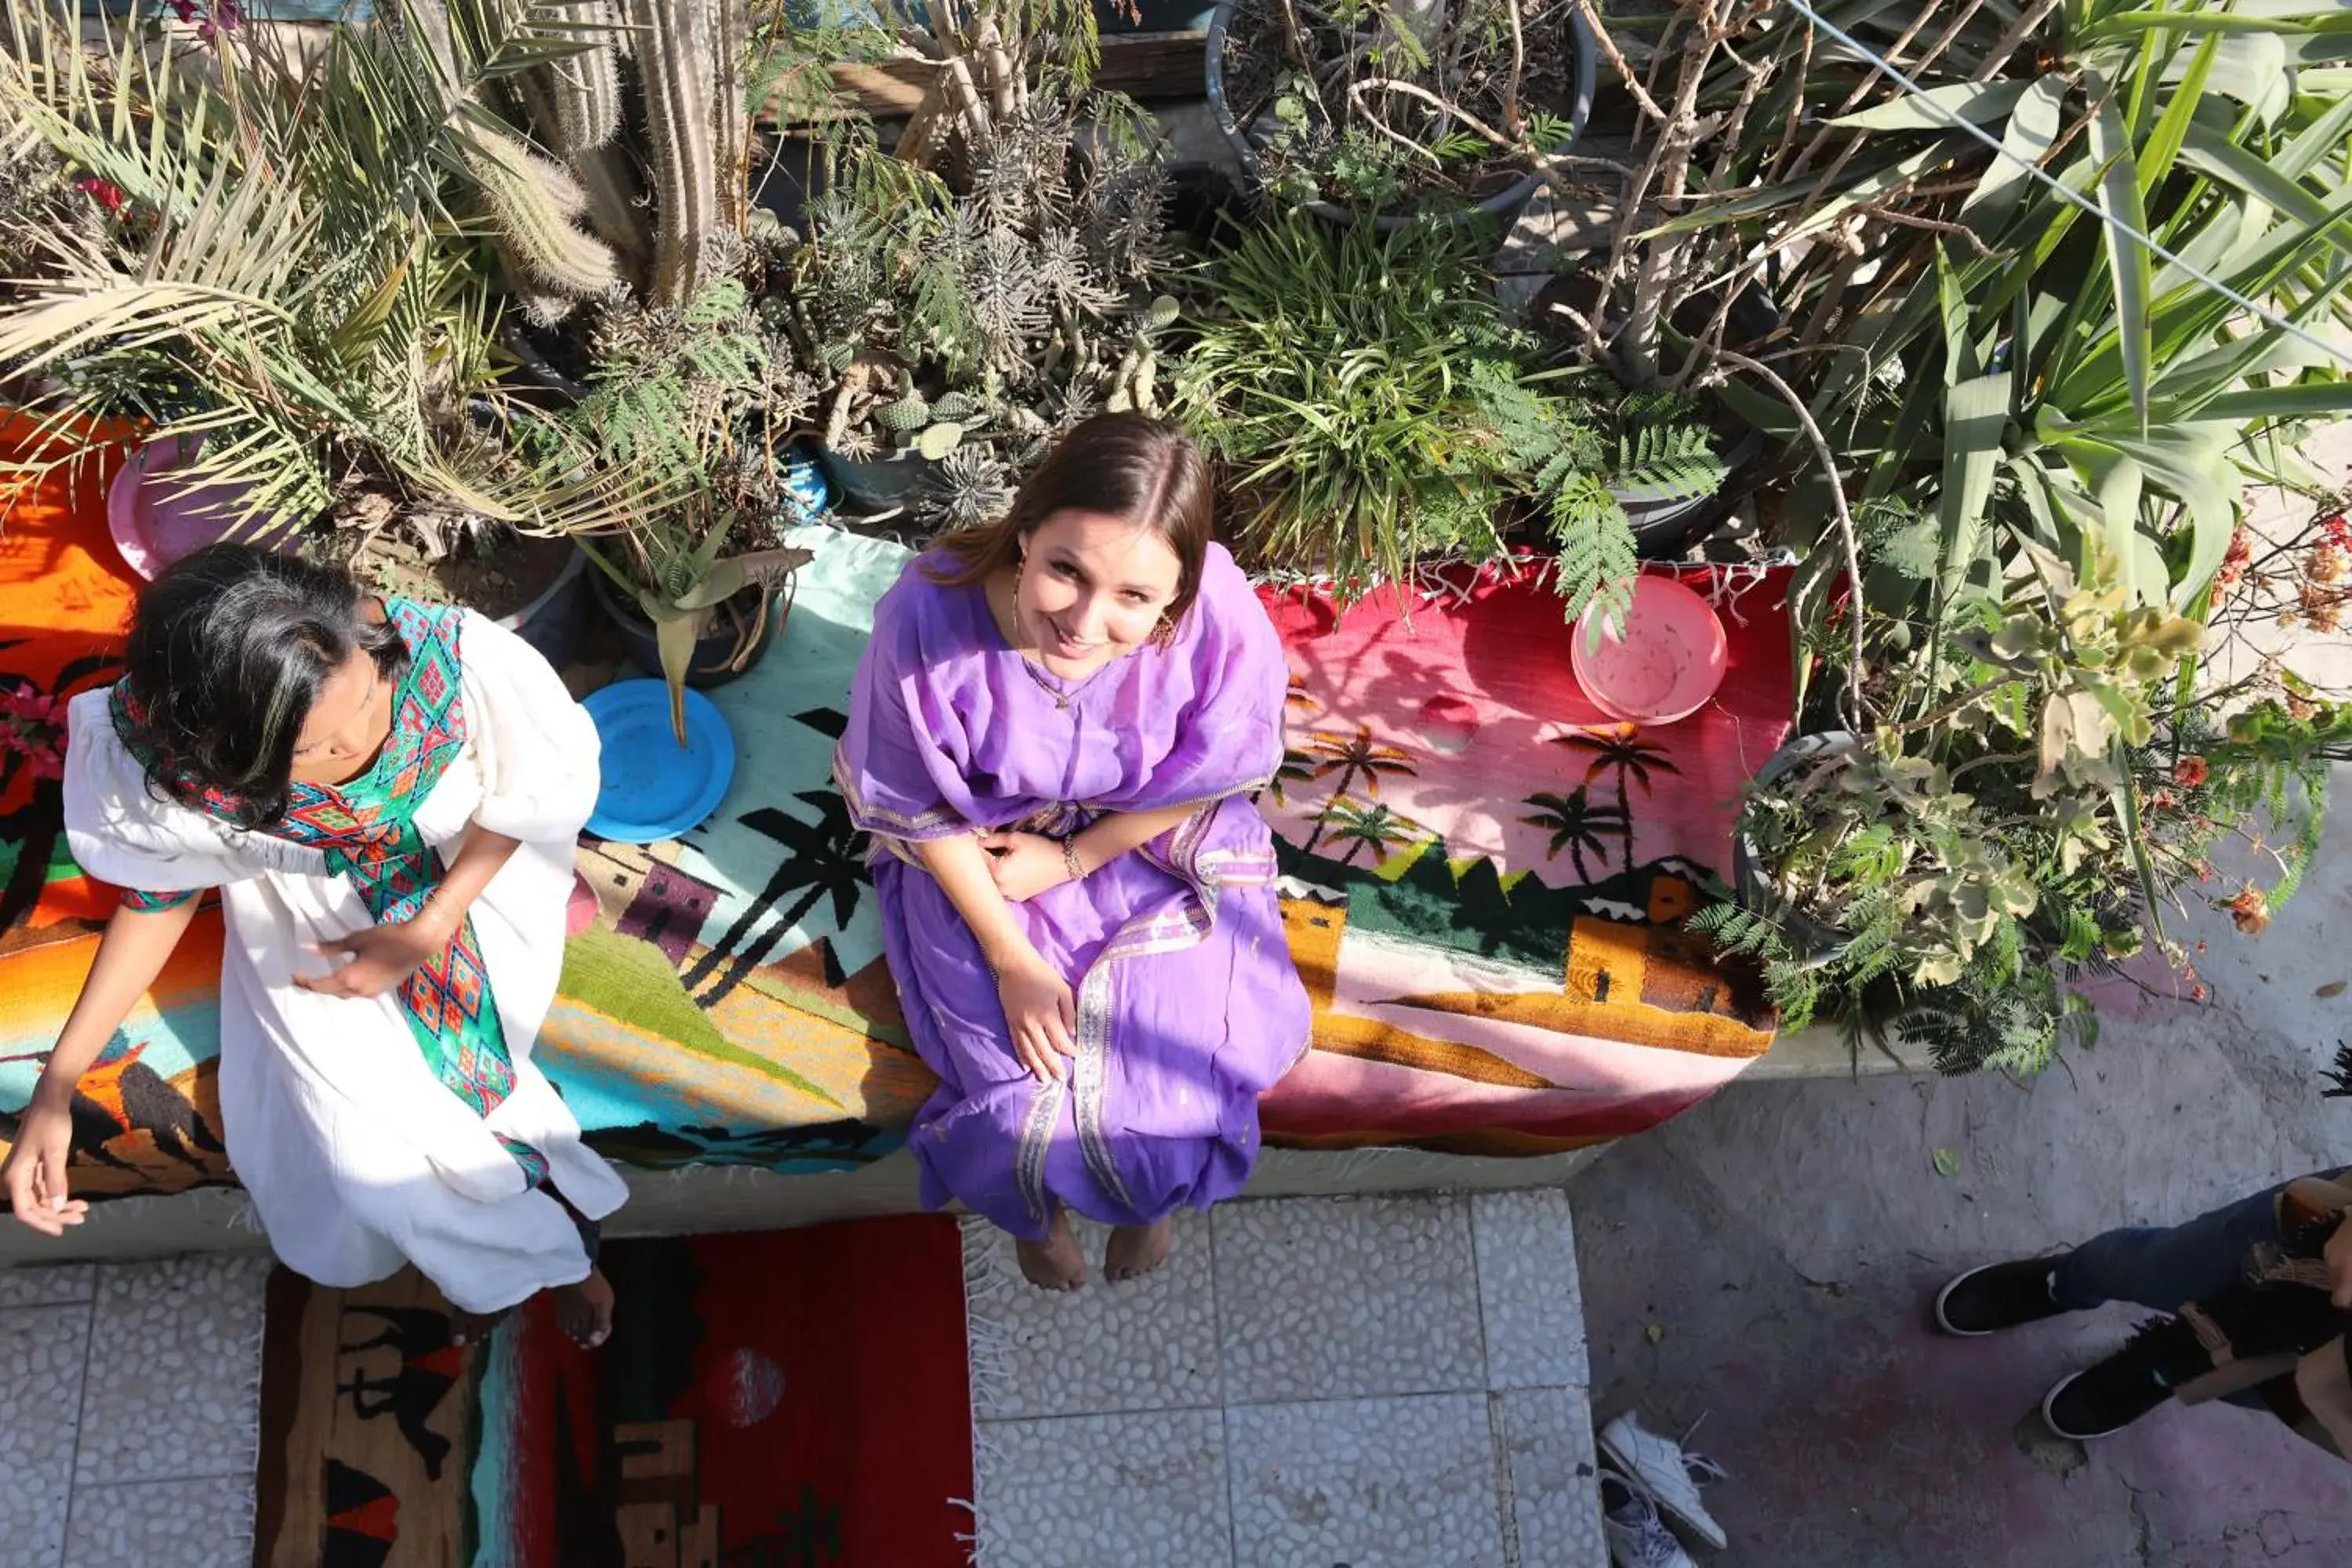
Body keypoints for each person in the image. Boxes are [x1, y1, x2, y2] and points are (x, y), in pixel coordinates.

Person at [2, 545, 626, 1346]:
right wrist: (57, 1083)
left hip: (472, 878)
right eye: (314, 751)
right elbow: (160, 895)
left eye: (368, 699)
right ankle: (526, 1261)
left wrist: (430, 924)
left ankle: (561, 1256)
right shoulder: (165, 762)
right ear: (221, 757)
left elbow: (534, 790)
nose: (359, 744)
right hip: (303, 915)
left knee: (454, 1122)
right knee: (358, 1157)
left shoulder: (454, 657)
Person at [837, 412, 1311, 1291]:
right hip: (982, 858)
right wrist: (1010, 953)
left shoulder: (1218, 619)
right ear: (1026, 535)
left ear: (1176, 595)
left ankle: (1147, 1202)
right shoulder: (925, 618)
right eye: (1065, 571)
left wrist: (1075, 858)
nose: (1086, 622)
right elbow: (911, 800)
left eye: (1134, 599)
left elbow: (1214, 772)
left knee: (1180, 1055)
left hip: (1148, 835)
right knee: (1017, 1087)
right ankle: (1033, 1218)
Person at [1935, 1167, 2352, 1454]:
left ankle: (2153, 1371)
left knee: (2250, 1375)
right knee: (2151, 1268)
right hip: (2325, 1244)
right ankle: (2064, 1283)